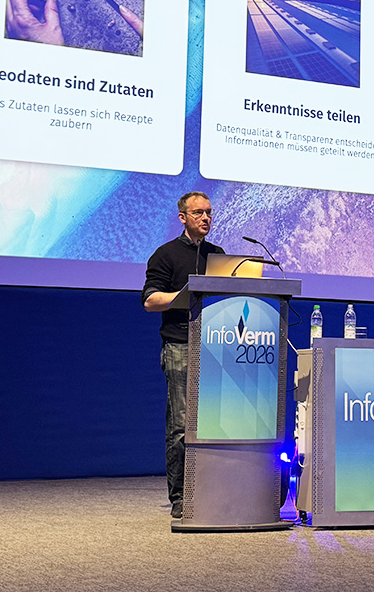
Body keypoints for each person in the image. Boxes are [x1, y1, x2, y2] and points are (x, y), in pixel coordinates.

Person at [142, 191, 224, 519]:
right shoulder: (166, 255)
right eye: (198, 213)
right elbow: (150, 300)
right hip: (180, 346)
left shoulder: (218, 256)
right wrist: (183, 295)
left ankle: (212, 490)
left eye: (209, 212)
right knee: (181, 425)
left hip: (217, 347)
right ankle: (180, 495)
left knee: (214, 423)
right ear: (183, 218)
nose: (205, 218)